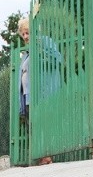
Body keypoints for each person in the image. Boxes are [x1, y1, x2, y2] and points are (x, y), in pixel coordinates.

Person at [17, 17, 61, 165]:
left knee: (42, 125)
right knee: (34, 127)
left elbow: (57, 60)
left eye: (27, 33)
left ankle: (47, 156)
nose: (25, 37)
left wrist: (41, 49)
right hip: (28, 96)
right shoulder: (26, 54)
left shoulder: (45, 42)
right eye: (23, 34)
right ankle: (42, 157)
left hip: (41, 95)